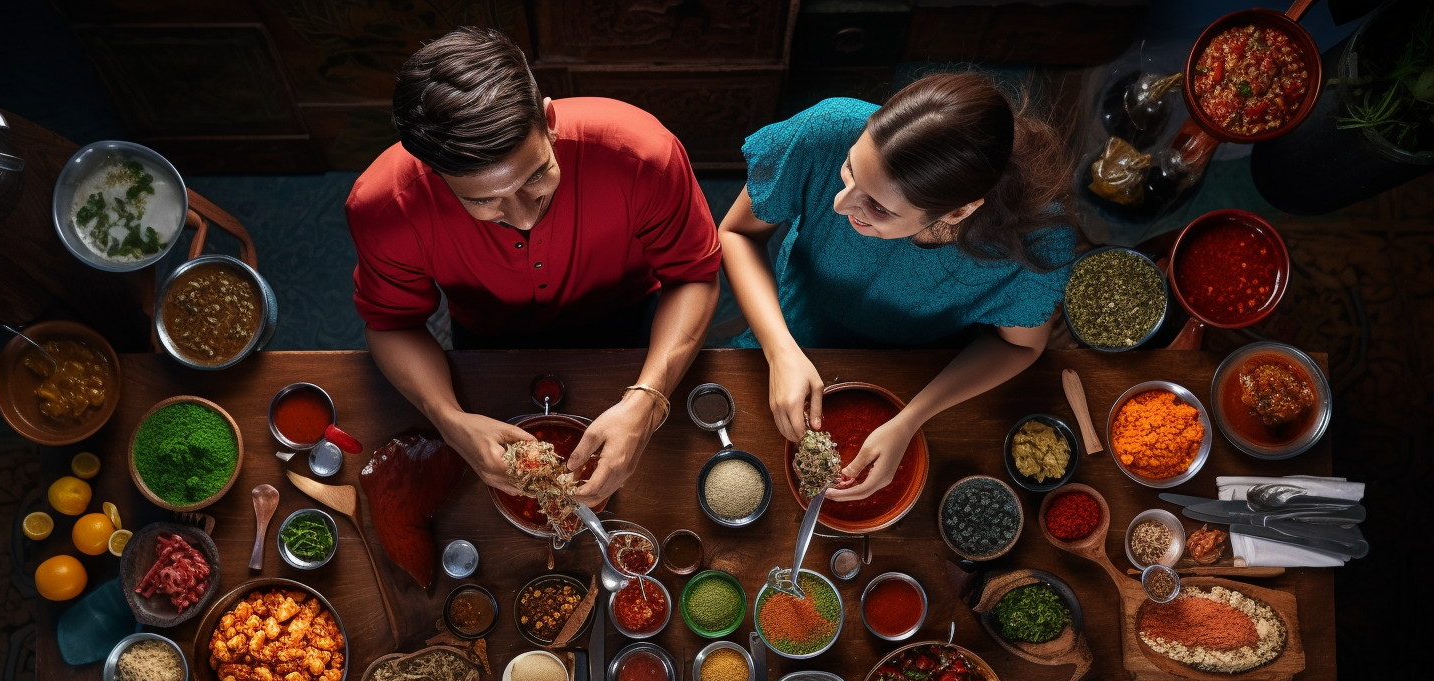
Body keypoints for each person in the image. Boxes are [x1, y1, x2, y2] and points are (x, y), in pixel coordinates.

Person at [347, 27, 721, 504]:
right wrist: (450, 419)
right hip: (487, 340)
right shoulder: (383, 208)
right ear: (434, 175)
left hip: (638, 321)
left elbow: (693, 275)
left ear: (549, 120)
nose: (524, 216)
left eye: (536, 176)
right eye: (485, 201)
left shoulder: (643, 154)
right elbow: (391, 324)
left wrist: (648, 398)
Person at [718, 73, 1075, 501]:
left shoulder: (1034, 244)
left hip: (920, 376)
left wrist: (911, 419)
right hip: (785, 334)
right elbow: (737, 234)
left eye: (879, 207)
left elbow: (1019, 347)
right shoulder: (829, 129)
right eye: (849, 170)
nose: (840, 204)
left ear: (959, 211)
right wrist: (780, 351)